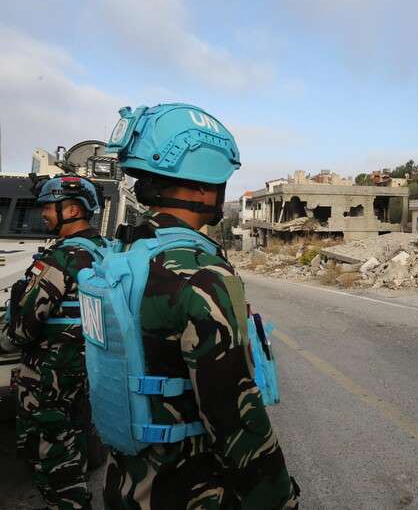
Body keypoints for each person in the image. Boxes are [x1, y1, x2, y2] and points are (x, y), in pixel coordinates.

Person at [94, 103, 298, 509]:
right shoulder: (201, 274)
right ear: (205, 185)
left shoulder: (122, 253)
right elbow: (234, 418)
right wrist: (278, 497)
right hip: (188, 492)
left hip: (125, 485)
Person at [7, 174, 105, 509]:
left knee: (54, 470)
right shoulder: (107, 253)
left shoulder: (59, 259)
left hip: (50, 380)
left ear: (73, 209)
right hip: (89, 372)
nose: (44, 214)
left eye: (49, 207)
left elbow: (19, 331)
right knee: (72, 451)